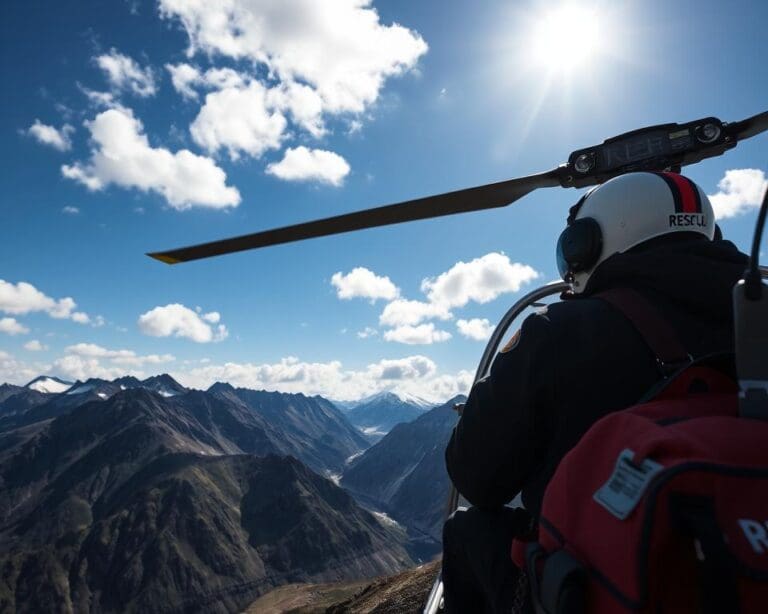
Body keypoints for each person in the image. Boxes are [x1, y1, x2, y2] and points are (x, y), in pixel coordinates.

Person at [441, 171, 749, 613]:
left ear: (588, 243)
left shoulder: (556, 333)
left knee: (467, 529)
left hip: (587, 588)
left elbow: (474, 477)